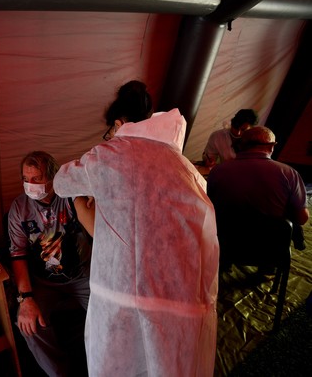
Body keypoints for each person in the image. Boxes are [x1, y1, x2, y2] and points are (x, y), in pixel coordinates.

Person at [53, 80, 219, 376]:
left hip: (120, 293)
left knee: (119, 365)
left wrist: (88, 190)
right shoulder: (181, 163)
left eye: (110, 131)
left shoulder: (109, 155)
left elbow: (61, 182)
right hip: (178, 297)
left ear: (119, 124)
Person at [8, 151, 92, 377]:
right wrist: (25, 299)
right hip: (44, 282)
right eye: (25, 179)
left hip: (83, 275)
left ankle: (105, 365)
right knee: (27, 324)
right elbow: (18, 254)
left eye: (36, 179)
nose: (30, 185)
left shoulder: (71, 197)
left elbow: (95, 227)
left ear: (53, 178)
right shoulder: (19, 209)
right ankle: (59, 372)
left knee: (111, 312)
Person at [207, 126, 309, 262]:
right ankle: (267, 269)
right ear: (272, 147)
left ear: (241, 146)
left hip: (224, 245)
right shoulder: (289, 174)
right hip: (268, 250)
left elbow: (209, 208)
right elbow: (302, 218)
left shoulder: (218, 171)